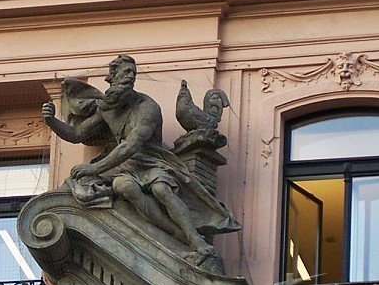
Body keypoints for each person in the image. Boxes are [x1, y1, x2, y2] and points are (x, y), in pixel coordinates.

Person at [42, 56, 239, 269]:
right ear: (112, 78)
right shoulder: (107, 108)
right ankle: (176, 235)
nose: (129, 77)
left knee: (162, 189)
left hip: (153, 161)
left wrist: (94, 167)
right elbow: (77, 133)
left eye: (132, 74)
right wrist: (52, 122)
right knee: (123, 186)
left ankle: (196, 241)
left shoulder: (147, 107)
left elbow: (131, 145)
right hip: (125, 167)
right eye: (125, 73)